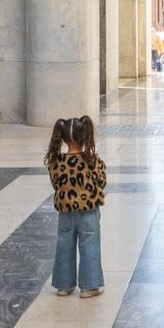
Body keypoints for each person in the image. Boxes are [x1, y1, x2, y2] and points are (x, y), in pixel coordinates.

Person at [44, 115, 105, 298]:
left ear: (63, 138)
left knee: (64, 244)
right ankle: (89, 286)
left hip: (65, 211)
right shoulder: (93, 161)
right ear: (85, 135)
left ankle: (64, 285)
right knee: (90, 245)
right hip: (88, 211)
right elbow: (101, 181)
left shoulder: (57, 162)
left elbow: (55, 184)